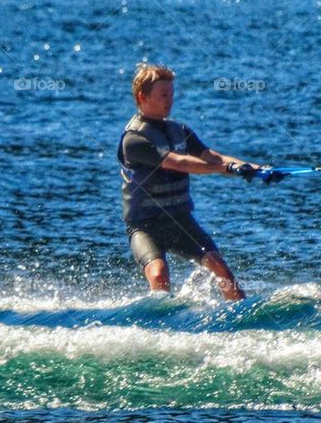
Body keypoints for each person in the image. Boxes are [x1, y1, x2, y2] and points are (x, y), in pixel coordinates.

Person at [117, 64, 273, 300]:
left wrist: (256, 170)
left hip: (180, 221)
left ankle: (242, 317)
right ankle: (159, 324)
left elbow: (213, 157)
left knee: (221, 268)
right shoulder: (134, 140)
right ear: (143, 97)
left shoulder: (179, 130)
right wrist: (226, 169)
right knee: (159, 274)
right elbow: (179, 162)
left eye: (171, 94)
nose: (170, 100)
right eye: (163, 95)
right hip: (145, 226)